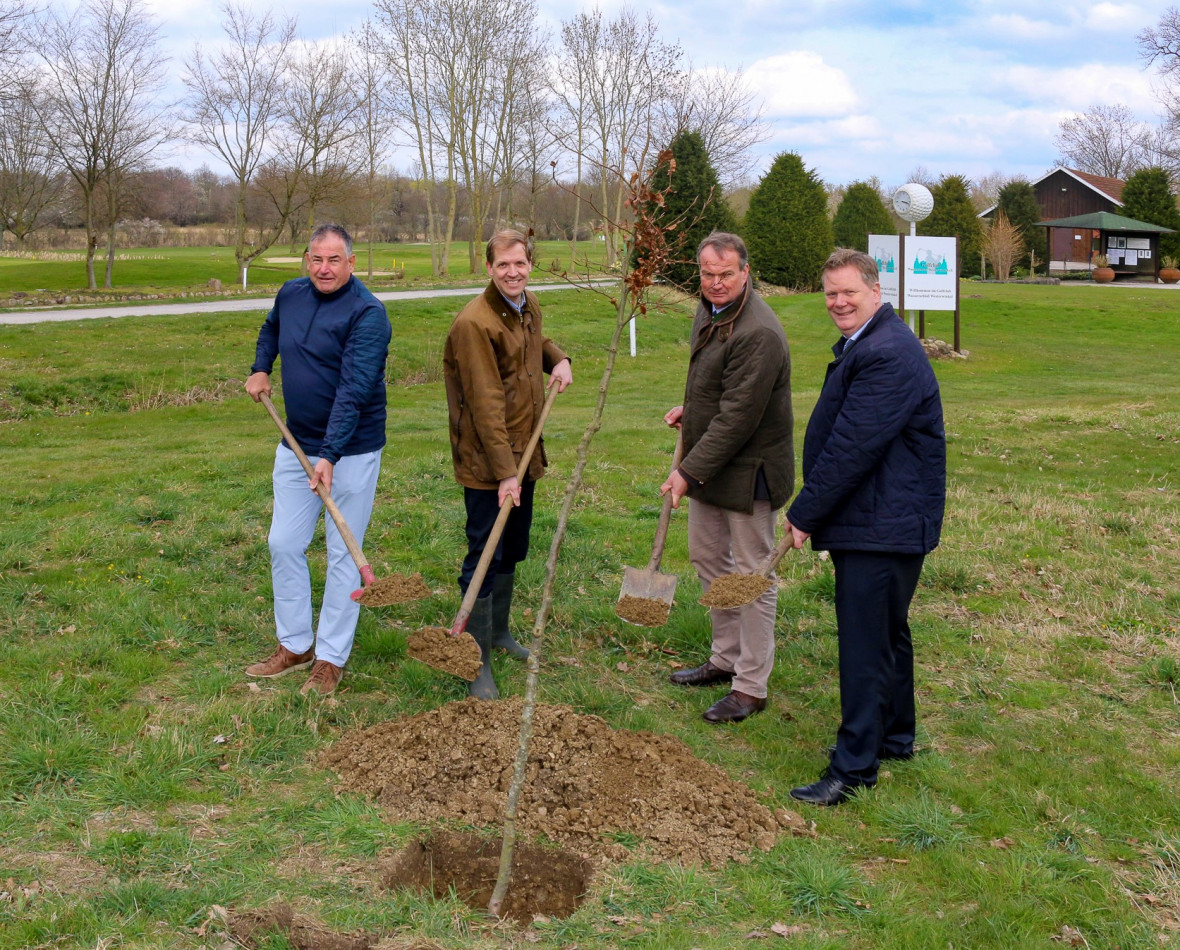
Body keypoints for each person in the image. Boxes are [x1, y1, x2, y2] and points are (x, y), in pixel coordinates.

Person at [785, 247, 946, 805]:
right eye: (831, 293)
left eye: (849, 291)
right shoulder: (874, 341)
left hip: (883, 522)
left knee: (863, 645)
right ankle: (896, 736)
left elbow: (853, 448)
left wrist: (804, 513)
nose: (839, 302)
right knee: (886, 633)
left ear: (876, 291)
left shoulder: (887, 354)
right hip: (885, 517)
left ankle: (853, 768)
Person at [243, 224, 391, 696]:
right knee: (283, 543)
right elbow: (272, 329)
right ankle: (296, 644)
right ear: (307, 260)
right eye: (316, 259)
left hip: (351, 450)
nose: (324, 269)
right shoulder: (291, 294)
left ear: (351, 262)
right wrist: (261, 367)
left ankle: (330, 657)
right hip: (296, 444)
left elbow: (354, 389)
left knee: (344, 553)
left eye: (334, 260)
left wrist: (329, 455)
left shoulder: (368, 314)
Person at [661, 231, 794, 724]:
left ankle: (751, 685)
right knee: (709, 558)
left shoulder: (759, 331)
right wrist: (691, 410)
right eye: (707, 274)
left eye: (725, 275)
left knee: (752, 576)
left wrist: (686, 473)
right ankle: (725, 657)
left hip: (750, 471)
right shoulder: (710, 309)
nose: (715, 283)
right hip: (712, 462)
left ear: (745, 273)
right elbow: (717, 387)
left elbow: (739, 417)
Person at [444, 229, 572, 700]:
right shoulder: (474, 324)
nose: (513, 272)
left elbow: (534, 345)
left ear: (530, 264)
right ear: (489, 268)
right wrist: (503, 474)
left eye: (520, 264)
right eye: (503, 265)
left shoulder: (526, 305)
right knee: (485, 552)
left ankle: (497, 634)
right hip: (488, 463)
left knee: (513, 547)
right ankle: (475, 660)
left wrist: (558, 359)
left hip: (524, 453)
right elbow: (484, 404)